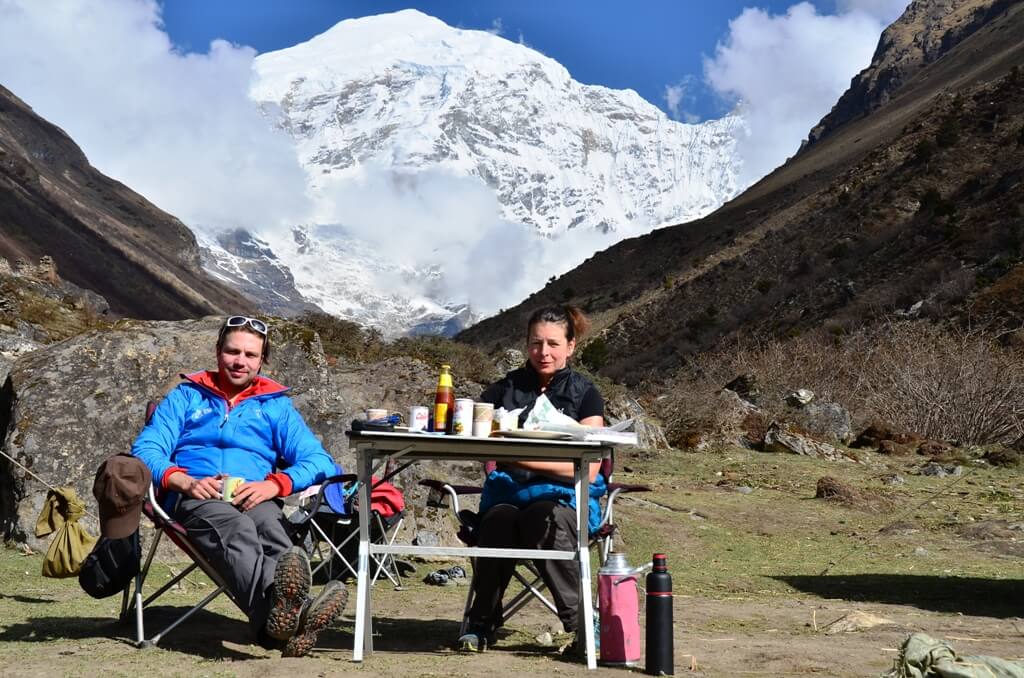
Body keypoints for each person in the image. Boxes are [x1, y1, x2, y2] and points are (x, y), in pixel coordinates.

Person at [132, 315, 346, 657]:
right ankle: (278, 625)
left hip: (255, 494)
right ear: (218, 352)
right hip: (198, 495)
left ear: (262, 360)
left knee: (275, 535)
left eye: (250, 355)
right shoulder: (186, 396)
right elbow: (147, 449)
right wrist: (182, 480)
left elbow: (318, 461)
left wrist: (276, 485)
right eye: (232, 352)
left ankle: (288, 620)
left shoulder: (274, 405)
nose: (239, 361)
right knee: (237, 528)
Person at [459, 304, 605, 652]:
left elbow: (590, 468)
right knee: (498, 520)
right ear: (527, 345)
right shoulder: (505, 388)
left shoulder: (586, 394)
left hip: (565, 499)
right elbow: (474, 434)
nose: (544, 352)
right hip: (510, 495)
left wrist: (518, 456)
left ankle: (585, 626)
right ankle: (480, 624)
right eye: (536, 343)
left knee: (543, 518)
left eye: (553, 344)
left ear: (570, 346)